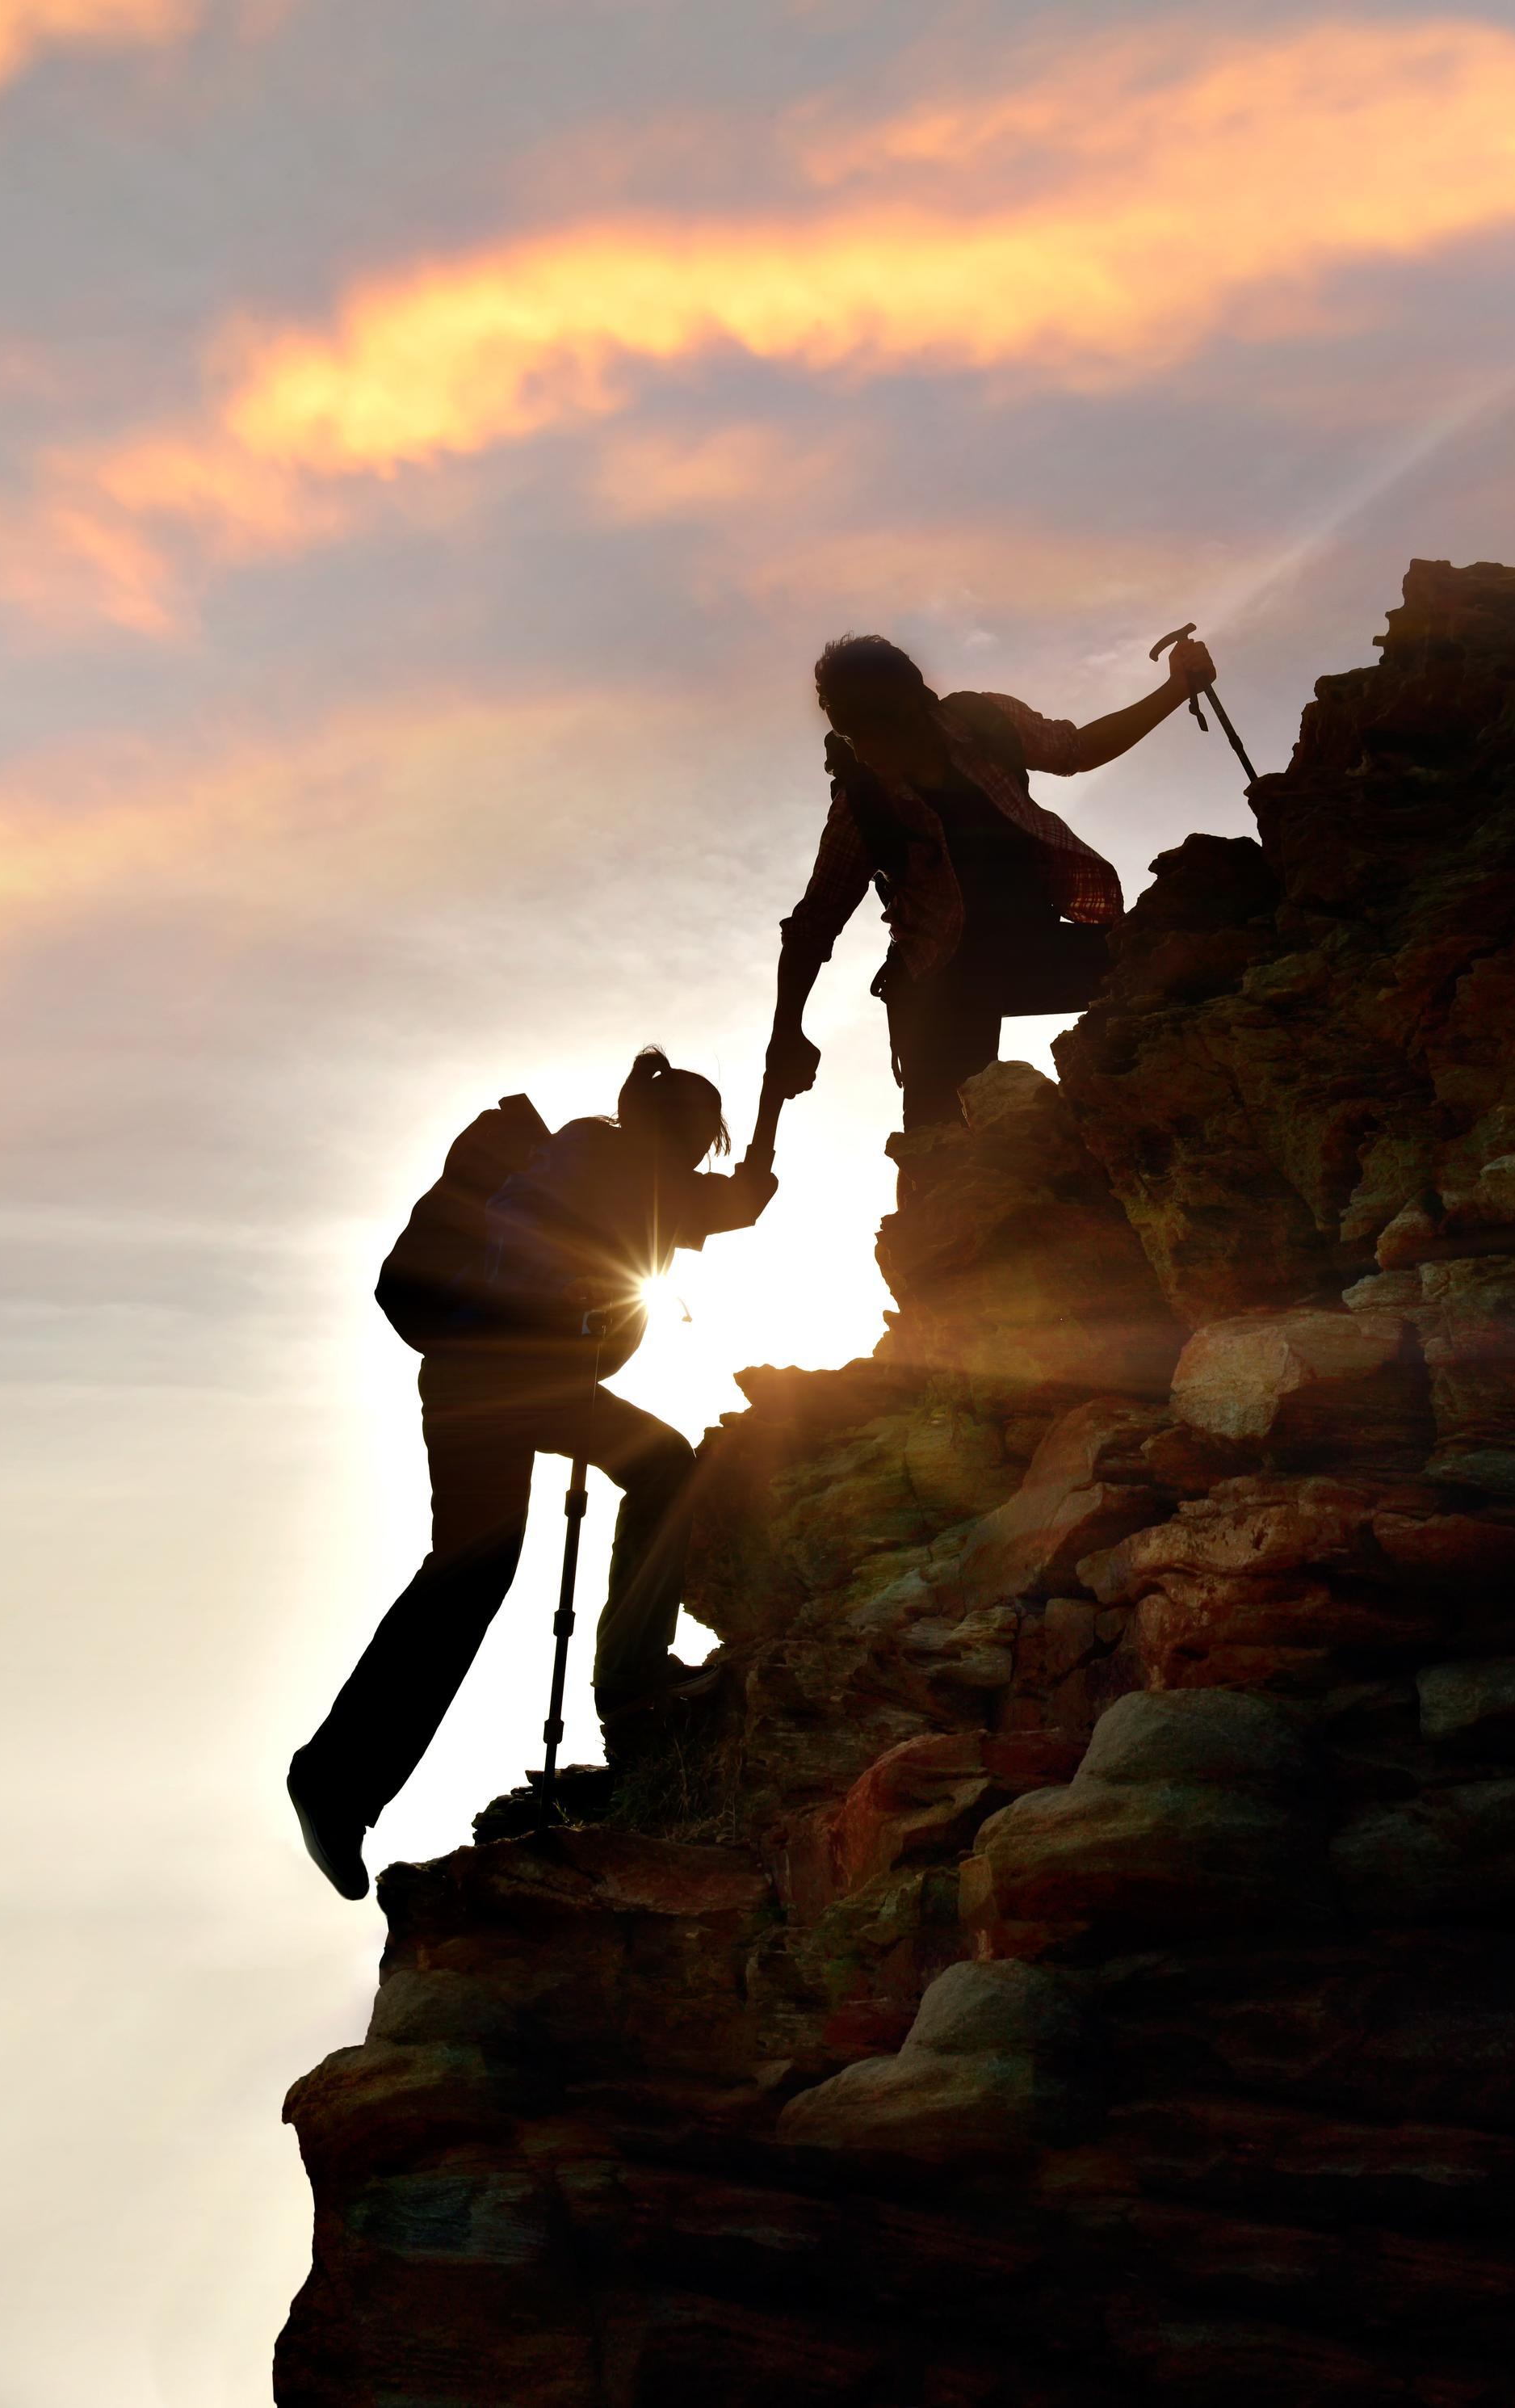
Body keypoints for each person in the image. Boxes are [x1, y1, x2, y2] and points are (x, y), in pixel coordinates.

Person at [287, 1049, 776, 1899]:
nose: (701, 1154)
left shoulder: (619, 1162)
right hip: (499, 1376)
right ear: (678, 1132)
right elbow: (719, 1203)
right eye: (700, 1138)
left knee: (519, 1542)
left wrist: (771, 1114)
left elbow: (736, 1204)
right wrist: (766, 1121)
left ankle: (339, 1778)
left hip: (502, 1376)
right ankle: (625, 1677)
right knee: (515, 1545)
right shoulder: (607, 1157)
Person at [762, 629, 1220, 1132]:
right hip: (941, 979)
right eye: (850, 732)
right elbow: (815, 922)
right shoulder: (863, 804)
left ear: (914, 702)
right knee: (939, 1149)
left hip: (1031, 946)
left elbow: (1077, 749)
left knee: (1172, 969)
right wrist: (787, 1030)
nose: (866, 749)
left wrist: (1178, 688)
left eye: (874, 726)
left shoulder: (986, 724)